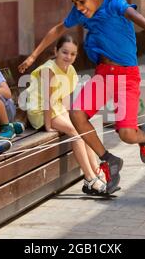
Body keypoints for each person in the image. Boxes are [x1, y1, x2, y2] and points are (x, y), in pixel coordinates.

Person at [18, 0, 145, 190]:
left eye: (81, 1)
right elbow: (59, 28)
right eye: (74, 2)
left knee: (127, 134)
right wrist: (33, 55)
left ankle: (144, 135)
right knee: (76, 114)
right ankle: (109, 159)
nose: (78, 7)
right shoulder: (81, 12)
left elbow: (131, 14)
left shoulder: (113, 1)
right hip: (104, 74)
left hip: (127, 76)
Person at [24, 35, 109, 194]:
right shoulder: (48, 70)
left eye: (72, 54)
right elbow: (47, 101)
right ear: (56, 51)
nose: (68, 57)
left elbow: (65, 98)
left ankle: (97, 171)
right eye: (64, 52)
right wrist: (48, 125)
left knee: (82, 128)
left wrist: (73, 118)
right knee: (75, 132)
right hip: (41, 111)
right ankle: (89, 178)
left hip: (56, 108)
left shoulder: (70, 70)